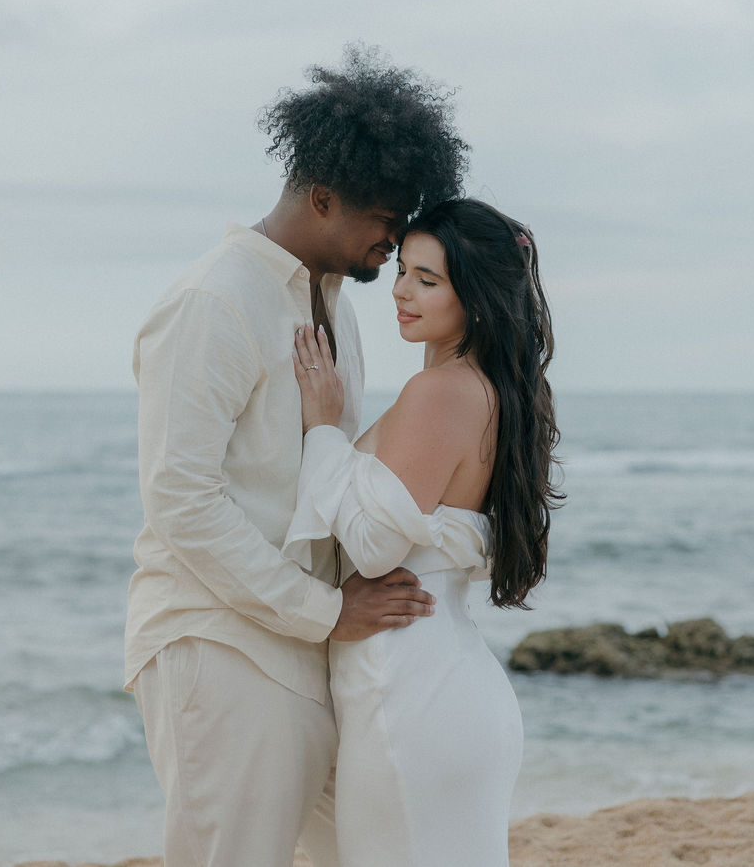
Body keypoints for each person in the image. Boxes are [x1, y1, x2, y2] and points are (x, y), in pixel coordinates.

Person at [124, 45, 468, 867]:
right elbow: (180, 500)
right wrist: (325, 612)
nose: (393, 243)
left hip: (310, 645)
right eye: (384, 221)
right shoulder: (217, 301)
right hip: (222, 643)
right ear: (322, 197)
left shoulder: (335, 308)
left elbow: (330, 474)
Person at [284, 198, 563, 866]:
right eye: (404, 269)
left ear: (478, 295)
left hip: (410, 691)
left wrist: (323, 430)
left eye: (428, 280)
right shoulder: (492, 388)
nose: (401, 291)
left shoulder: (441, 392)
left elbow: (378, 547)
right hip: (441, 681)